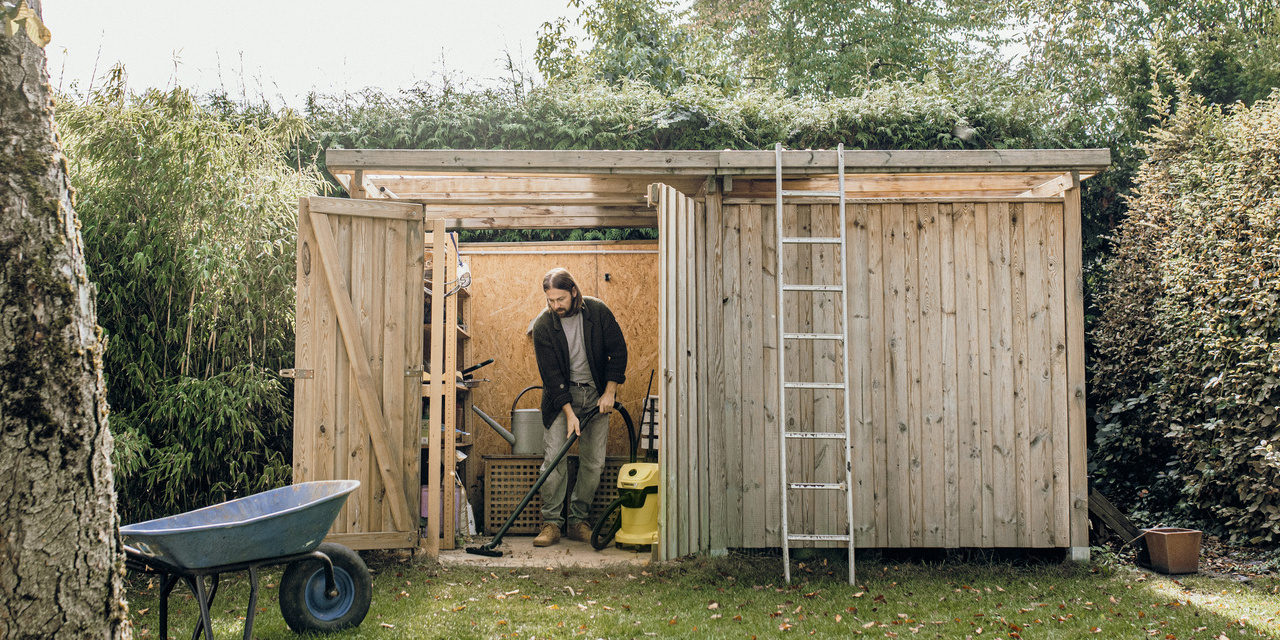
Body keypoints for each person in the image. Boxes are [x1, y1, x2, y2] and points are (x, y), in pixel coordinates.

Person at [530, 268, 627, 546]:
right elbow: (551, 377)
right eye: (550, 300)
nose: (556, 306)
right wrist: (570, 414)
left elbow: (618, 352)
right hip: (560, 400)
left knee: (593, 463)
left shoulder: (597, 312)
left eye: (560, 299)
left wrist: (609, 392)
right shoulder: (543, 326)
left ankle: (577, 521)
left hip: (597, 397)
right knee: (554, 461)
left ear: (573, 291)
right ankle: (551, 524)